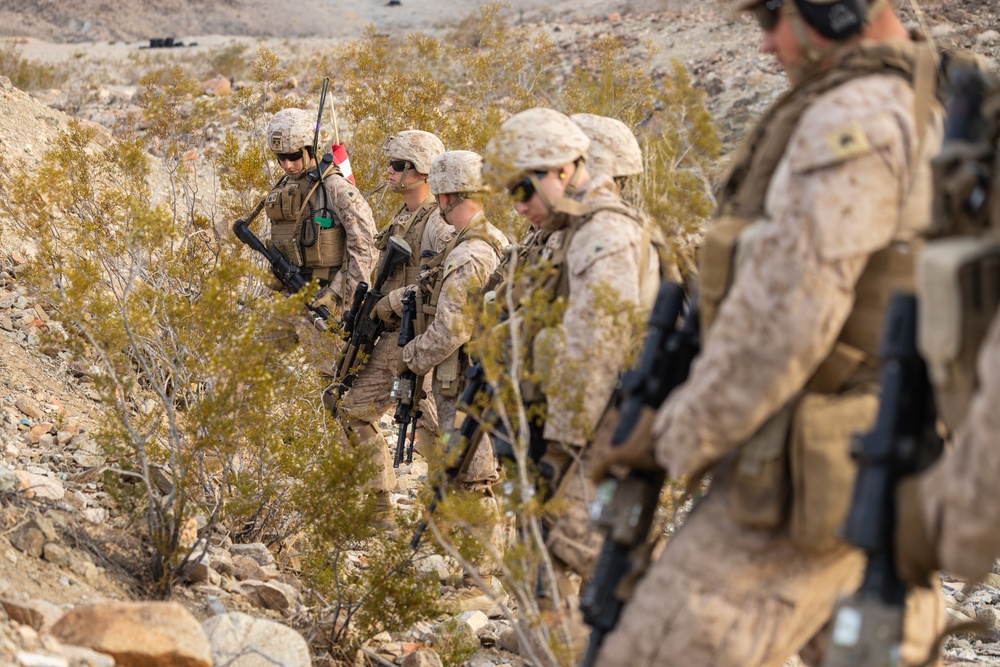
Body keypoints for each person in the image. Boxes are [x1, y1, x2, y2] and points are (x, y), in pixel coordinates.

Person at [592, 1, 946, 665]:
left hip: (807, 480)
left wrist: (671, 438)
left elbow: (787, 319)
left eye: (773, 18)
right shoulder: (917, 97)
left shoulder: (858, 115)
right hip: (877, 457)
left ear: (834, 10)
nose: (766, 45)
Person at [482, 107, 661, 654]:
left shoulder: (604, 234)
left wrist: (559, 448)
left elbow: (592, 353)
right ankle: (554, 644)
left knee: (581, 551)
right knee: (548, 549)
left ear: (559, 172)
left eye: (523, 191)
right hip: (578, 425)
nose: (519, 207)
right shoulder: (571, 231)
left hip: (603, 429)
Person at [397, 149, 510, 568]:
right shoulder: (483, 241)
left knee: (473, 473)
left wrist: (410, 356)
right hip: (469, 374)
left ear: (445, 196)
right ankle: (466, 563)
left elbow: (451, 329)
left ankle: (481, 577)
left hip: (467, 378)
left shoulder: (469, 253)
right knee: (464, 470)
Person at [335, 130, 451, 522]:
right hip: (390, 340)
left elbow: (442, 283)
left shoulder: (438, 222)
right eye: (392, 164)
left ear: (421, 172)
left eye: (399, 166)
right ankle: (379, 506)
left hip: (421, 341)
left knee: (434, 428)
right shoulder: (404, 216)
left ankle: (450, 514)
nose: (391, 171)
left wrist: (392, 302)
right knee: (350, 409)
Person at [262, 107, 377, 318]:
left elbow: (366, 247)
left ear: (310, 148)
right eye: (280, 157)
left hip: (327, 301)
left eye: (294, 156)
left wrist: (338, 296)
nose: (287, 165)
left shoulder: (335, 187)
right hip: (290, 297)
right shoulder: (285, 187)